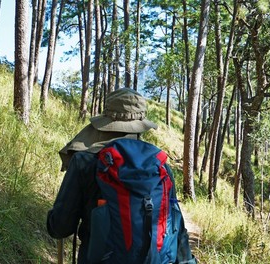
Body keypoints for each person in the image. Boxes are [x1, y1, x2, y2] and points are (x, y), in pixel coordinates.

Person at [47, 88, 196, 263]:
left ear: (106, 122)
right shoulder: (160, 166)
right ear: (141, 125)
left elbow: (60, 228)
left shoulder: (84, 162)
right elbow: (177, 227)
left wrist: (53, 217)